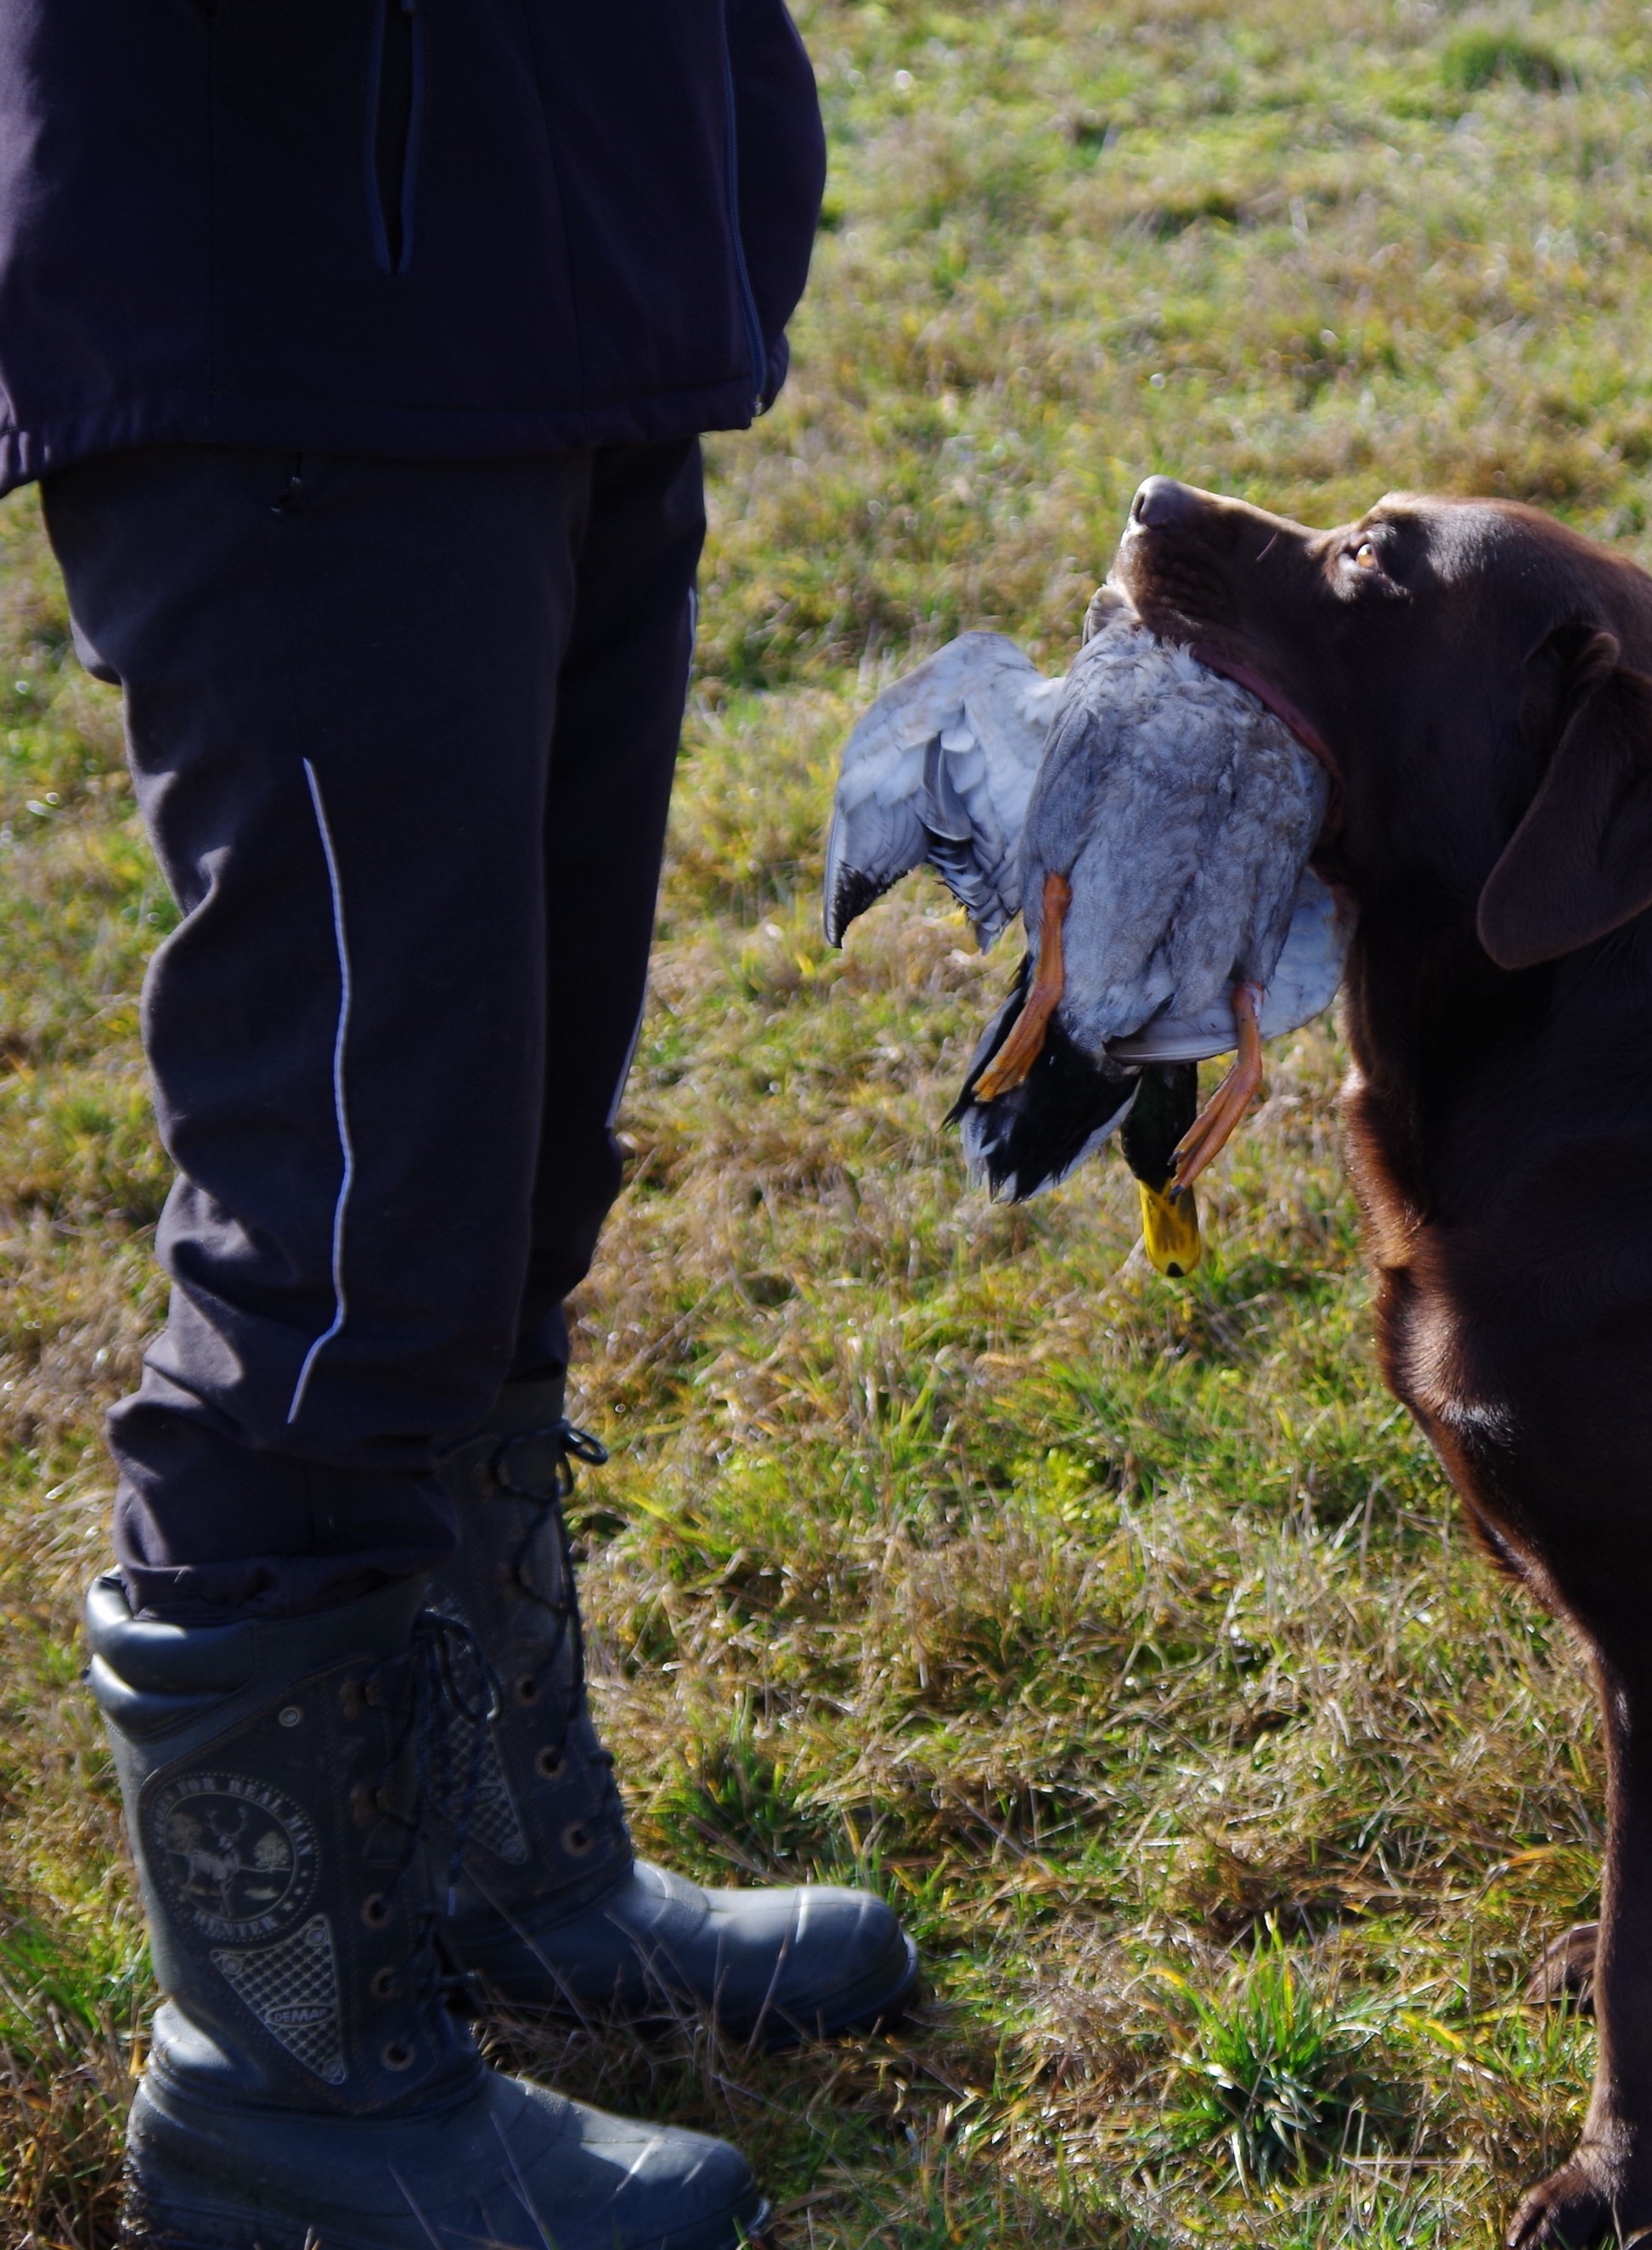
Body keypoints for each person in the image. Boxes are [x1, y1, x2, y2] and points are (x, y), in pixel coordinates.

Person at [2, 5, 916, 2244]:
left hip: (581, 242)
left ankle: (508, 1859)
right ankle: (282, 2079)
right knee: (349, 1230)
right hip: (302, 273)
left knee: (510, 1176)